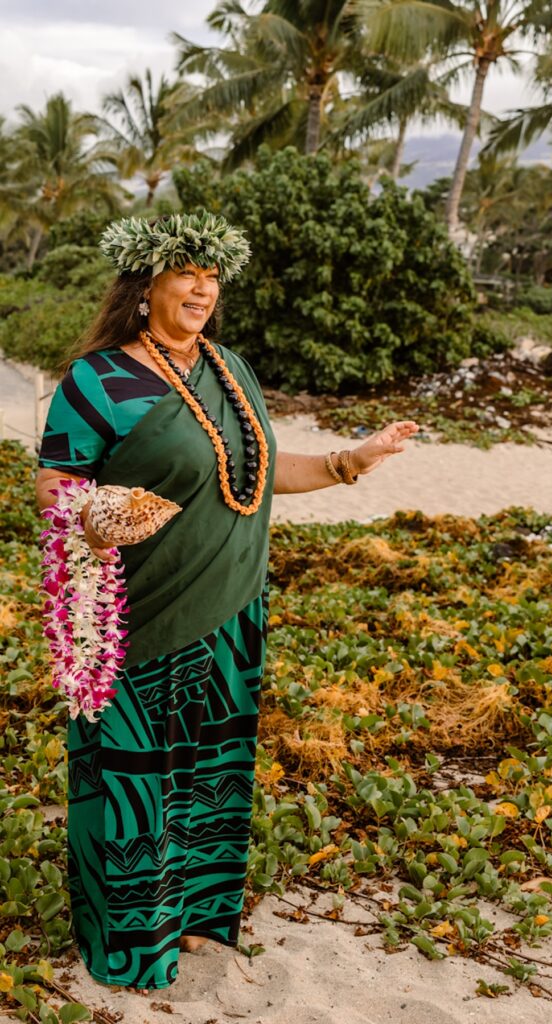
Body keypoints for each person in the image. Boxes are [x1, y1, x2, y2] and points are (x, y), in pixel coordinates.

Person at [35, 210, 418, 993]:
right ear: (146, 287)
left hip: (232, 608)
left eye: (211, 276)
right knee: (135, 774)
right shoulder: (98, 380)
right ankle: (131, 942)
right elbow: (54, 488)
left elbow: (261, 470)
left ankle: (196, 919)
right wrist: (99, 513)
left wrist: (354, 459)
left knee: (211, 769)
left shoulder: (231, 370)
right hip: (138, 613)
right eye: (186, 273)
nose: (203, 287)